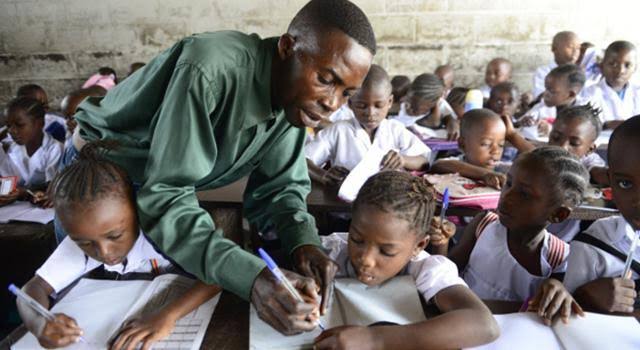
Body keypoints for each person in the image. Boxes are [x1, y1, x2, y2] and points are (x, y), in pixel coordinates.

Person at [69, 0, 375, 334]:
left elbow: (280, 189)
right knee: (90, 314)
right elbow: (168, 194)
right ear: (288, 47)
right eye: (326, 79)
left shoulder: (294, 100)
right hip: (99, 182)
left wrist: (304, 243)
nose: (332, 103)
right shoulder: (209, 68)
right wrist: (254, 278)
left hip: (162, 185)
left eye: (347, 93)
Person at [15, 144, 222, 349]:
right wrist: (39, 323)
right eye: (85, 243)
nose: (103, 252)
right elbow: (33, 288)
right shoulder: (81, 239)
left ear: (135, 210)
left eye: (114, 236)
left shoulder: (165, 231)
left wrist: (167, 316)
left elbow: (216, 275)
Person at [313, 171, 498, 349]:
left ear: (419, 246)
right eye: (356, 239)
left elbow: (484, 324)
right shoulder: (331, 252)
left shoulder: (425, 270)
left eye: (386, 251)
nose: (366, 259)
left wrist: (375, 339)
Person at [448, 147, 588, 323]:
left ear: (558, 214)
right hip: (455, 318)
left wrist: (561, 289)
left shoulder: (557, 259)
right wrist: (441, 242)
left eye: (524, 194)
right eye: (508, 184)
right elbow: (447, 271)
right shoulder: (484, 224)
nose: (507, 197)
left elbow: (542, 313)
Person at [305, 65, 431, 187]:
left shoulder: (395, 130)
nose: (370, 113)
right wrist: (324, 175)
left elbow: (423, 161)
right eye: (361, 105)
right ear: (350, 103)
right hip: (345, 203)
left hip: (388, 201)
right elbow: (303, 160)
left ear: (390, 102)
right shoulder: (338, 130)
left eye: (378, 105)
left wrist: (404, 160)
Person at [563, 115, 640, 317]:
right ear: (610, 181)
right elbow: (567, 320)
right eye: (625, 184)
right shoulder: (592, 249)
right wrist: (584, 299)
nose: (638, 201)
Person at [0, 97, 62, 207]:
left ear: (40, 123)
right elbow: (7, 183)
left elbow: (54, 188)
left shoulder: (55, 149)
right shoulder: (10, 149)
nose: (12, 131)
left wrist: (24, 192)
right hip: (15, 210)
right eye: (8, 126)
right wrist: (6, 194)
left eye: (20, 125)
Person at [430, 109, 511, 189]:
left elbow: (523, 165)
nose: (496, 151)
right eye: (486, 144)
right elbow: (438, 165)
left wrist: (513, 135)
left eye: (501, 145)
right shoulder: (457, 163)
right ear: (463, 144)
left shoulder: (501, 169)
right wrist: (484, 174)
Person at [580, 41, 640, 129]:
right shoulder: (588, 94)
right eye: (613, 64)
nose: (620, 71)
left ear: (635, 68)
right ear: (601, 65)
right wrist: (606, 125)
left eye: (627, 65)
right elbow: (582, 124)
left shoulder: (637, 92)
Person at [392, 73, 459, 140]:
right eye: (411, 101)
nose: (410, 108)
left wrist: (452, 124)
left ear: (433, 104)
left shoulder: (439, 104)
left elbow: (451, 119)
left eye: (417, 108)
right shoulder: (398, 105)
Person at [532, 31, 581, 98]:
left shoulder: (581, 73)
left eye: (578, 48)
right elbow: (542, 97)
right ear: (554, 48)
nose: (575, 51)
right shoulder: (543, 72)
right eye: (570, 47)